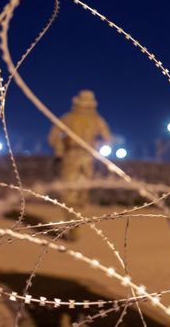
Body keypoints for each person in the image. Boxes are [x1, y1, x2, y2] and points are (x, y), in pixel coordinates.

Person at [48, 89, 112, 239]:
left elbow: (107, 138)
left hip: (87, 159)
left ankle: (75, 222)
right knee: (70, 193)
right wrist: (60, 149)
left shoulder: (97, 120)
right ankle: (73, 226)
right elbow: (54, 136)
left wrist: (97, 146)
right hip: (71, 158)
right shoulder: (69, 118)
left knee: (82, 194)